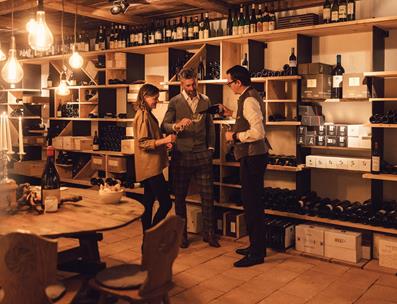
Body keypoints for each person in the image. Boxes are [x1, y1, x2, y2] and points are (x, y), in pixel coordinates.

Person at [161, 68, 220, 248]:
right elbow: (164, 125)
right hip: (182, 155)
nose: (192, 87)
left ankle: (209, 234)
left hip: (203, 154)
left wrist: (211, 148)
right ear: (182, 84)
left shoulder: (205, 100)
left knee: (208, 196)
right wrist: (177, 125)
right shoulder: (175, 102)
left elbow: (210, 126)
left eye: (194, 83)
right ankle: (182, 235)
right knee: (180, 197)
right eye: (188, 85)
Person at [221, 65, 271, 267]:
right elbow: (248, 119)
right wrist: (231, 113)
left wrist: (233, 135)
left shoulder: (249, 99)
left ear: (238, 82)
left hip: (253, 157)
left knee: (253, 205)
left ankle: (257, 253)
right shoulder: (248, 97)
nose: (228, 86)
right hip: (252, 157)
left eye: (229, 82)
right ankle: (255, 246)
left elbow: (258, 133)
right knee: (252, 204)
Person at [133, 84, 175, 233]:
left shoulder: (146, 113)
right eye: (154, 98)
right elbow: (143, 143)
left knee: (148, 203)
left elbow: (150, 139)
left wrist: (164, 143)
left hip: (149, 166)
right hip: (150, 167)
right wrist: (164, 140)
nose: (156, 101)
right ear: (145, 96)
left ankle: (147, 239)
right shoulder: (143, 115)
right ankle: (152, 234)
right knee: (166, 203)